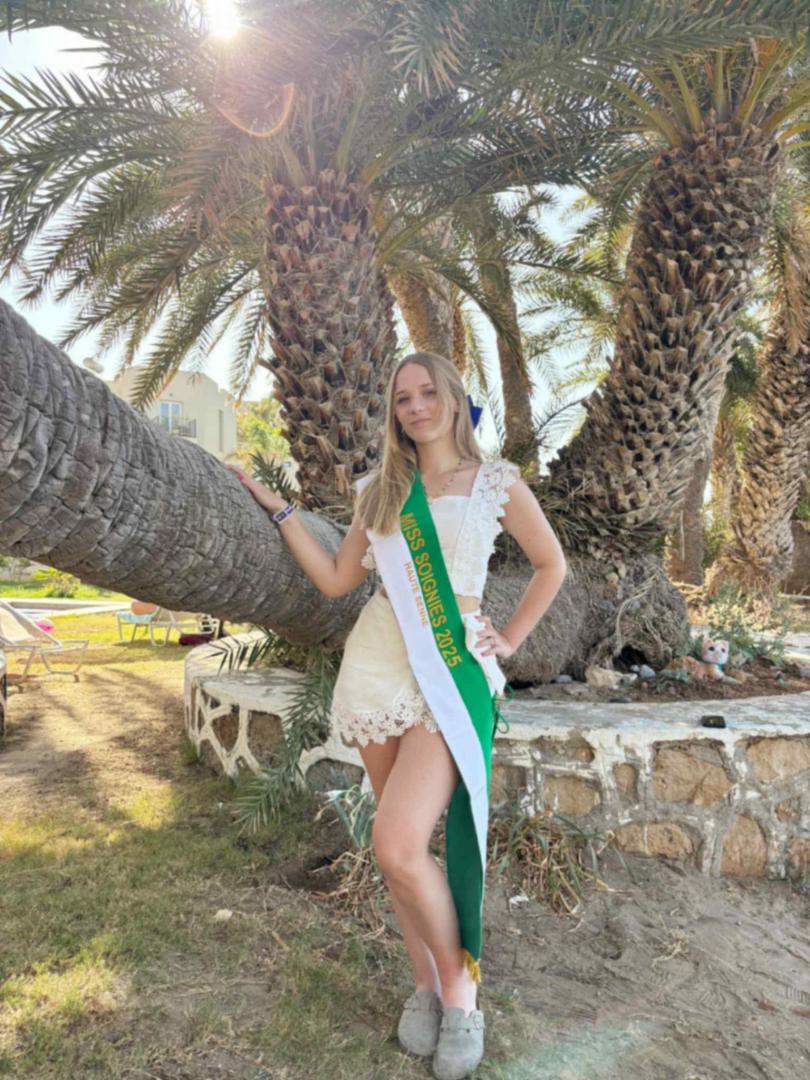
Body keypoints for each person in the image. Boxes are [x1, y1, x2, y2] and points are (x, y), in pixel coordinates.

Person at [227, 351, 567, 1079]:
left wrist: (509, 639)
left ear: (453, 398)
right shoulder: (383, 491)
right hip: (379, 663)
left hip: (450, 672)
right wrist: (280, 511)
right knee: (397, 851)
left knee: (397, 843)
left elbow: (552, 565)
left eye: (427, 393)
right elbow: (335, 580)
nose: (415, 407)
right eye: (403, 398)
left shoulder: (495, 483)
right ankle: (424, 984)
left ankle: (462, 994)